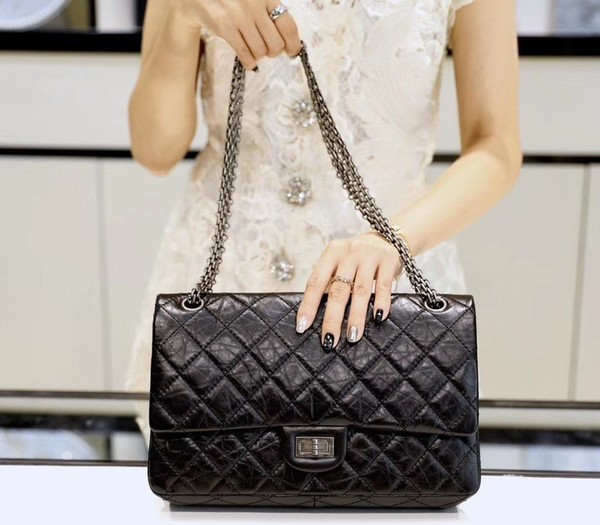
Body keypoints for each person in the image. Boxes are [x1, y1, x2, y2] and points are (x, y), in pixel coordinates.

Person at [125, 0, 522, 445]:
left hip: (389, 294)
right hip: (223, 303)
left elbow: (496, 147)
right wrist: (181, 11)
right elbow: (155, 150)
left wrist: (394, 239)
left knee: (397, 470)